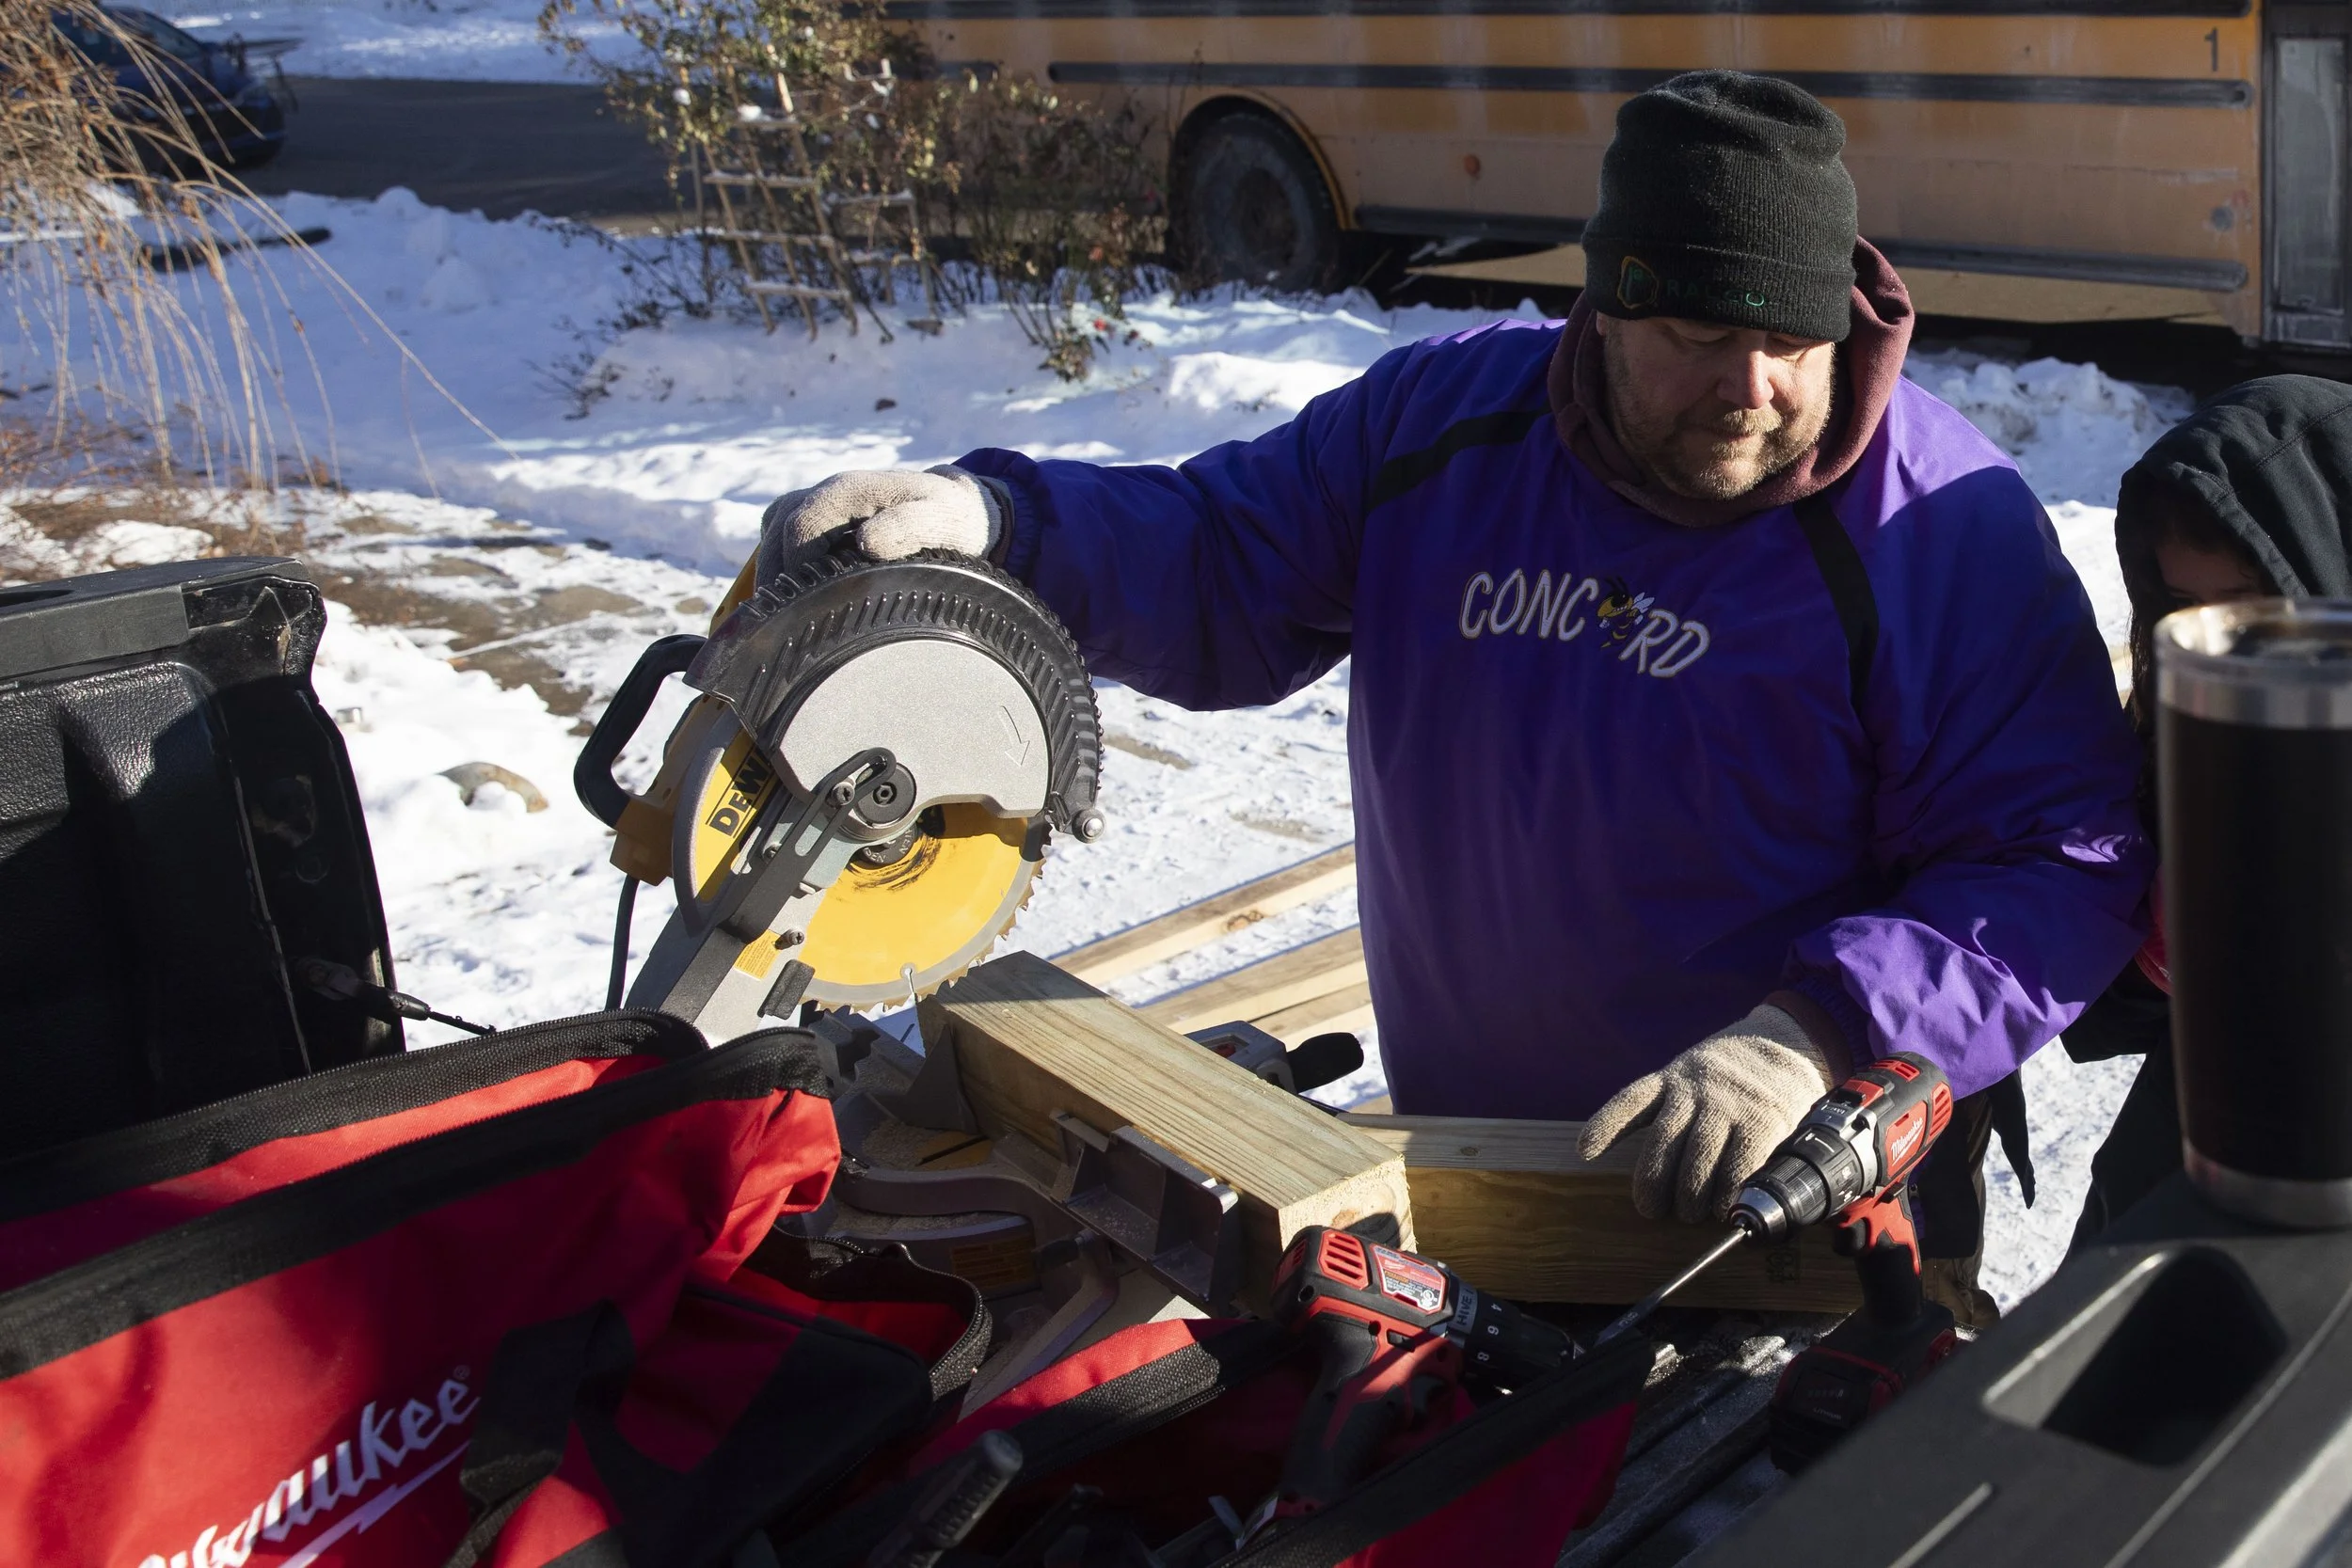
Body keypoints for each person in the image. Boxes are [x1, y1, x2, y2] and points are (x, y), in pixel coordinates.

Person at [764, 72, 2150, 1243]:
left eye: (1791, 343)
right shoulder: (1449, 423)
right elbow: (1221, 553)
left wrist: (1819, 1031)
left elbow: (2059, 855)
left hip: (1785, 1188)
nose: (1752, 389)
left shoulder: (1934, 528)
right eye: (1700, 336)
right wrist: (1002, 520)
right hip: (1462, 1167)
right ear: (1606, 304)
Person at [2069, 374, 2352, 1248]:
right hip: (2217, 1152)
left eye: (2255, 612)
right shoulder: (2187, 715)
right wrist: (2153, 957)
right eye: (2185, 610)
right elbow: (2100, 998)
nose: (2221, 646)